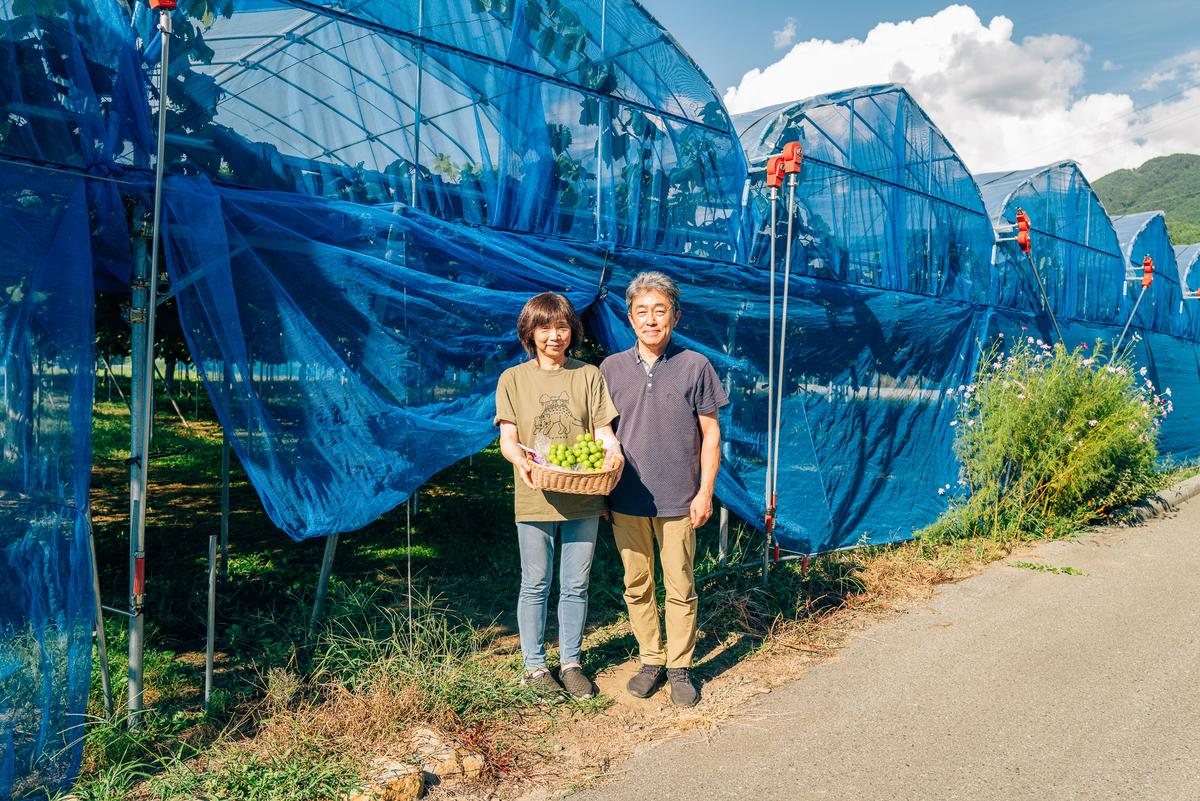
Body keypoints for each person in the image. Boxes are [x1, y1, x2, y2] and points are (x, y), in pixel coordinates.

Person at [600, 272, 728, 708]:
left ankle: (680, 667)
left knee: (679, 584)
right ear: (630, 317)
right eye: (641, 311)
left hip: (679, 498)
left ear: (675, 314)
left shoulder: (696, 366)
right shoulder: (610, 369)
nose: (650, 320)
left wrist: (705, 491)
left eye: (660, 310)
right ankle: (651, 659)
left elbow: (711, 435)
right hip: (626, 498)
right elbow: (603, 435)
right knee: (637, 584)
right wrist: (602, 493)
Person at [495, 292, 622, 699]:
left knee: (576, 584)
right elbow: (508, 439)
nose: (554, 335)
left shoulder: (589, 375)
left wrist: (613, 454)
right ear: (529, 332)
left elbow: (603, 434)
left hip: (584, 492)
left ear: (572, 331)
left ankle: (571, 663)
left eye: (562, 326)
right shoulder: (513, 379)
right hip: (535, 493)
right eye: (545, 327)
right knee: (535, 582)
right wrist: (520, 461)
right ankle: (534, 668)